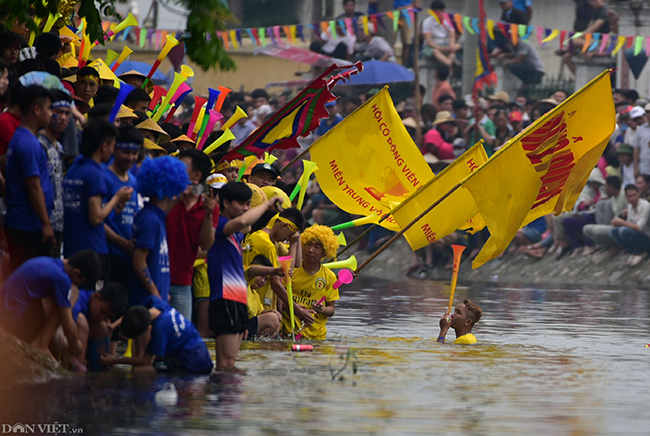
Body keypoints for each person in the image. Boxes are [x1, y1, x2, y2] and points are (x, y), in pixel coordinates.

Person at [206, 181, 284, 371]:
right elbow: (242, 222)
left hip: (237, 299)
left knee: (231, 362)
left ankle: (227, 397)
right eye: (241, 203)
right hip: (226, 298)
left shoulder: (238, 233)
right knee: (227, 364)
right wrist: (267, 205)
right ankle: (226, 398)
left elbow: (246, 225)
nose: (246, 209)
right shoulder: (222, 225)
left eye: (249, 204)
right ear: (225, 203)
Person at [0, 250, 102, 362]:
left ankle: (43, 343)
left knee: (64, 297)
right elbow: (68, 324)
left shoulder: (50, 262)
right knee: (72, 293)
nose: (79, 284)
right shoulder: (62, 279)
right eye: (81, 282)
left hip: (7, 312)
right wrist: (75, 346)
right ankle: (40, 344)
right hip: (13, 320)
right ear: (76, 272)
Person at [63, 120, 132, 281]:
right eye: (113, 146)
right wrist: (116, 198)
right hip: (92, 251)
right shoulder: (95, 174)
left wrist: (113, 208)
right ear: (104, 146)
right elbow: (95, 218)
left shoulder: (74, 169)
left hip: (72, 246)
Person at [4, 85, 54, 274]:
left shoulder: (22, 138)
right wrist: (45, 224)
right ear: (36, 109)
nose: (51, 114)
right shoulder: (28, 143)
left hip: (25, 223)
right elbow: (33, 185)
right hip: (27, 225)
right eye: (49, 108)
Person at [129, 156, 190, 307]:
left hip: (157, 299)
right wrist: (155, 294)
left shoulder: (156, 216)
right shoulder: (150, 220)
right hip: (147, 302)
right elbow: (138, 261)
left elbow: (165, 208)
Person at [99, 295, 213, 374]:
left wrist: (115, 360)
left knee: (139, 371)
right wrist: (114, 325)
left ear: (147, 329)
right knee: (156, 357)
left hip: (193, 363)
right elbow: (132, 314)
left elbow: (145, 360)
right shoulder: (157, 303)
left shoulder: (160, 330)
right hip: (199, 351)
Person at [166, 149, 217, 322]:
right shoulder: (165, 193)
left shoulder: (210, 206)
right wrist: (175, 199)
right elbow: (154, 220)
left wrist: (208, 215)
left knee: (180, 336)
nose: (176, 169)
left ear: (197, 175)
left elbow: (206, 245)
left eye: (182, 166)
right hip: (154, 275)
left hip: (182, 281)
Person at [282, 225, 339, 340]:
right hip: (288, 333)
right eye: (309, 244)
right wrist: (296, 309)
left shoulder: (330, 277)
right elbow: (278, 301)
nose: (310, 250)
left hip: (317, 337)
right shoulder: (292, 269)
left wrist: (322, 310)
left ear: (325, 253)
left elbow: (331, 309)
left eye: (317, 247)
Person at [56, 282, 129, 371]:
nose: (101, 317)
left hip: (80, 344)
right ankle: (78, 370)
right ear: (96, 296)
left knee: (102, 327)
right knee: (82, 322)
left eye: (106, 316)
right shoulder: (77, 301)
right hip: (61, 341)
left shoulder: (96, 311)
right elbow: (62, 329)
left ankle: (99, 370)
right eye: (102, 311)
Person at [103, 125, 143, 289]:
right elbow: (97, 219)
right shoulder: (104, 177)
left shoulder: (134, 181)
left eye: (134, 153)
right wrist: (122, 243)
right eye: (125, 152)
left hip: (128, 259)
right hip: (109, 256)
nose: (130, 157)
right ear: (114, 149)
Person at [37, 90, 71, 257]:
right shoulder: (38, 144)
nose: (63, 117)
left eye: (67, 113)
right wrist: (45, 223)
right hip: (39, 225)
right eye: (59, 112)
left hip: (58, 225)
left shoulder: (60, 147)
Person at [562, 0, 612, 76]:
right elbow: (589, 26)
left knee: (572, 42)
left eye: (594, 1)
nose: (593, 3)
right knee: (567, 57)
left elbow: (593, 29)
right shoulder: (595, 12)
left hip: (600, 42)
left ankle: (566, 49)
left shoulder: (604, 11)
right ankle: (577, 75)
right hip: (590, 40)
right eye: (591, 2)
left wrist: (577, 37)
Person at [609, 184, 650, 266]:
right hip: (637, 235)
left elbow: (639, 227)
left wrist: (622, 222)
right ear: (627, 198)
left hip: (646, 236)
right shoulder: (630, 206)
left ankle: (640, 252)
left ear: (638, 194)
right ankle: (633, 250)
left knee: (623, 231)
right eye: (630, 196)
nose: (633, 198)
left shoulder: (645, 206)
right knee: (613, 231)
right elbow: (630, 223)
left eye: (634, 195)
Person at [245, 255, 283, 339]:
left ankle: (256, 343)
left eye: (266, 279)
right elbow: (250, 271)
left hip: (248, 327)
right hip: (239, 326)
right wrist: (276, 271)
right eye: (261, 275)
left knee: (277, 323)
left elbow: (260, 312)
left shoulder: (256, 295)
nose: (262, 281)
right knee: (272, 319)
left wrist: (272, 311)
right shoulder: (244, 283)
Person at [421, 1, 460, 69]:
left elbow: (452, 36)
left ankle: (450, 65)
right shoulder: (427, 22)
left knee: (453, 51)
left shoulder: (448, 21)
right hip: (433, 46)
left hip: (445, 43)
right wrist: (441, 48)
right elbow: (429, 41)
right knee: (435, 52)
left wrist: (451, 46)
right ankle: (449, 63)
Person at [630, 106, 650, 178]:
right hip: (645, 164)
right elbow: (636, 148)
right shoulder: (641, 129)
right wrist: (635, 167)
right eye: (647, 113)